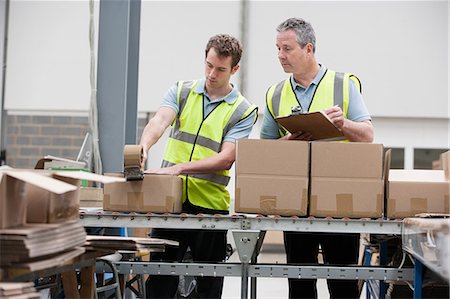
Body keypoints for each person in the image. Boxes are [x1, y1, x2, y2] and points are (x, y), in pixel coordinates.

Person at [260, 18, 374, 298]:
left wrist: (343, 124)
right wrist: (285, 143)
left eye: (286, 48)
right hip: (295, 206)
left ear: (308, 48)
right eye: (277, 48)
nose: (280, 56)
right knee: (299, 286)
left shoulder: (345, 85)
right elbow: (263, 151)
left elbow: (368, 135)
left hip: (339, 205)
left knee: (343, 285)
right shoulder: (275, 95)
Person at [139, 33, 258, 299]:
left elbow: (226, 158)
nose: (212, 73)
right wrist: (144, 146)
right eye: (208, 65)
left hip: (210, 209)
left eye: (220, 69)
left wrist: (178, 168)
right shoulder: (181, 91)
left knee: (208, 286)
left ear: (234, 69)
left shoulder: (243, 110)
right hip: (170, 203)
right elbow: (159, 121)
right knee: (159, 282)